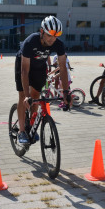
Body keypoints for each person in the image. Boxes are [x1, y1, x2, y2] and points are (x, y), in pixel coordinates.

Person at [15, 15, 71, 144]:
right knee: (24, 96)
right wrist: (26, 96)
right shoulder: (30, 42)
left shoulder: (58, 44)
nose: (52, 39)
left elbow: (63, 68)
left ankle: (32, 124)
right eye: (49, 35)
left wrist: (66, 92)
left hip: (39, 66)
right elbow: (24, 71)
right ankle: (21, 131)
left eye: (56, 36)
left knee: (35, 97)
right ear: (41, 32)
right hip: (23, 66)